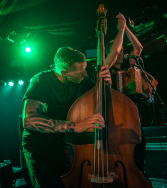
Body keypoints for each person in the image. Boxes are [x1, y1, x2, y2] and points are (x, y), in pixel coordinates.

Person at [22, 46, 112, 188]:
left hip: (64, 142)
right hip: (39, 145)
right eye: (79, 73)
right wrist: (76, 126)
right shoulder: (40, 80)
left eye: (85, 69)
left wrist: (106, 83)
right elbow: (29, 120)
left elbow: (99, 95)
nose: (84, 75)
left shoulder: (81, 79)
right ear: (64, 73)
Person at [105, 13, 146, 174]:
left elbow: (138, 48)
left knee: (139, 148)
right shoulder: (106, 68)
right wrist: (120, 30)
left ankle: (139, 176)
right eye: (119, 50)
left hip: (133, 115)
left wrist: (126, 28)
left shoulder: (128, 69)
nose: (121, 52)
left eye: (122, 50)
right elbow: (114, 53)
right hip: (116, 118)